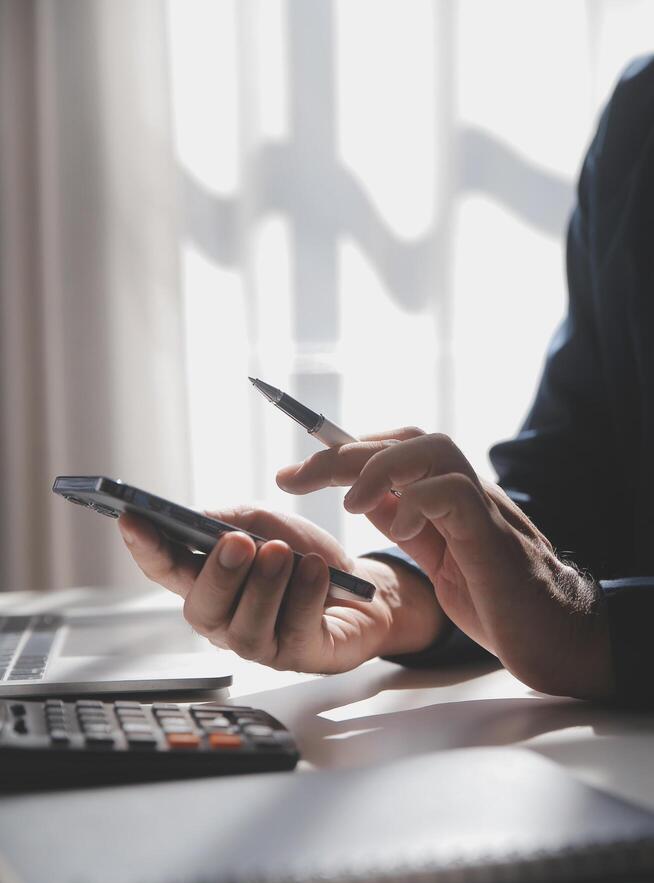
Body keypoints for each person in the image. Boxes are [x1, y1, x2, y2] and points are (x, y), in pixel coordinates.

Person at [118, 56, 654, 706]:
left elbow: (571, 607)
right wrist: (389, 595)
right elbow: (574, 486)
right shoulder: (641, 112)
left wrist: (599, 637)